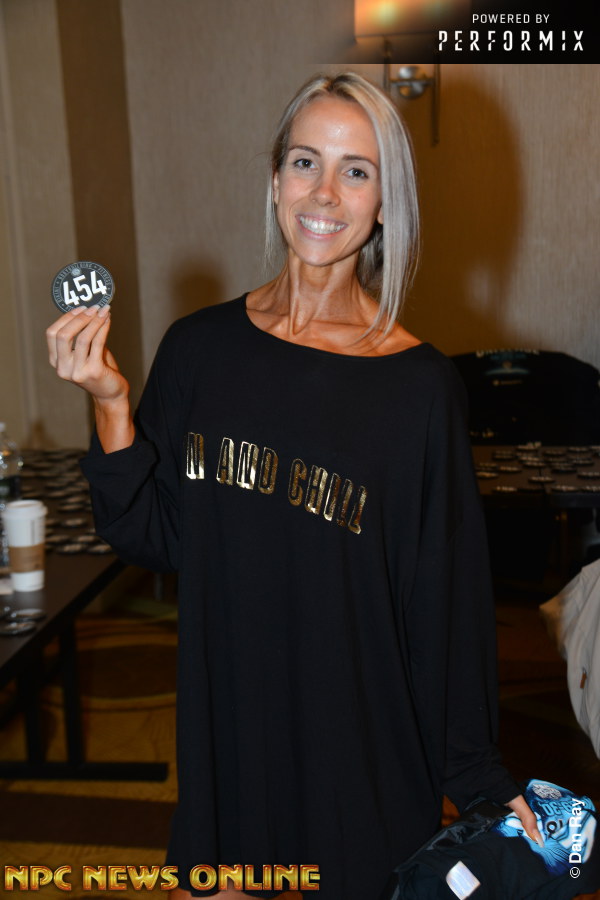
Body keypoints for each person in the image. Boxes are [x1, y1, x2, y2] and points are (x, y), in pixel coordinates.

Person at [46, 72, 540, 900]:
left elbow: (445, 603)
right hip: (229, 751)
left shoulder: (419, 388)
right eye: (306, 161)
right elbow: (153, 535)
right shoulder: (198, 349)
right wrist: (111, 403)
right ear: (275, 179)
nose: (324, 192)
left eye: (356, 170)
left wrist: (479, 775)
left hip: (360, 767)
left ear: (385, 203)